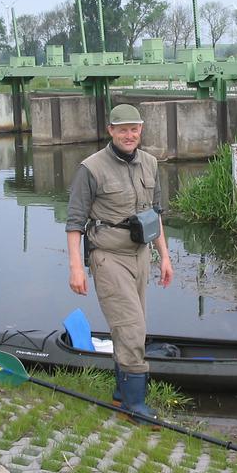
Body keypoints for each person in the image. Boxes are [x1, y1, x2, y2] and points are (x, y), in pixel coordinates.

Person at [65, 103, 173, 420]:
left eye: (134, 128)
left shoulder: (151, 163)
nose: (129, 135)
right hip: (108, 258)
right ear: (110, 131)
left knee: (131, 331)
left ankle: (119, 394)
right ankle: (135, 406)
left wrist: (164, 256)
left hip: (140, 256)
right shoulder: (91, 169)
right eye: (122, 129)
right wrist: (75, 268)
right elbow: (74, 223)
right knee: (131, 329)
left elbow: (156, 215)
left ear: (141, 130)